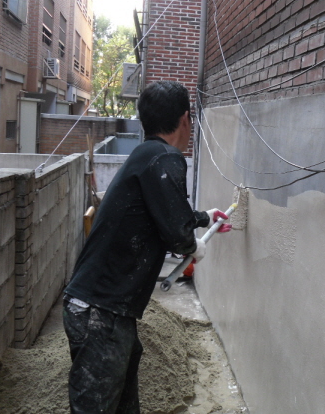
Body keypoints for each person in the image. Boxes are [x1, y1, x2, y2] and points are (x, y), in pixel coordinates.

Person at [63, 80, 231, 414]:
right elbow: (177, 235)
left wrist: (204, 217)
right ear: (185, 119)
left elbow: (162, 211)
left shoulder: (146, 155)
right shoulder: (167, 158)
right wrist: (193, 244)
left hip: (105, 309)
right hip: (101, 312)